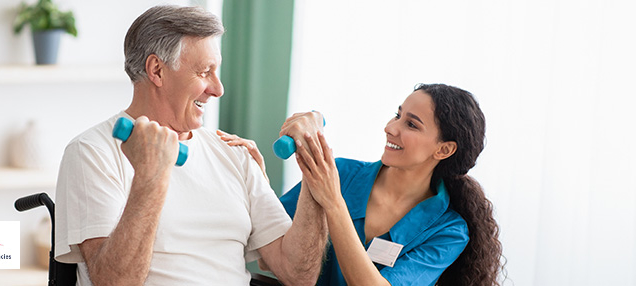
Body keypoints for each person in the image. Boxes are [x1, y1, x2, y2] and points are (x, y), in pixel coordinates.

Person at [52, 5, 328, 286]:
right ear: (157, 70)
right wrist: (151, 177)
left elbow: (298, 274)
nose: (218, 89)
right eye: (205, 72)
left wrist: (313, 168)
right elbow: (113, 282)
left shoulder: (232, 152)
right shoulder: (92, 152)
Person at [222, 84, 503, 285]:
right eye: (397, 114)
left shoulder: (449, 230)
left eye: (412, 125)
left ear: (443, 150)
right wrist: (259, 183)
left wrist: (333, 202)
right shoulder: (341, 173)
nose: (390, 128)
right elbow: (268, 256)